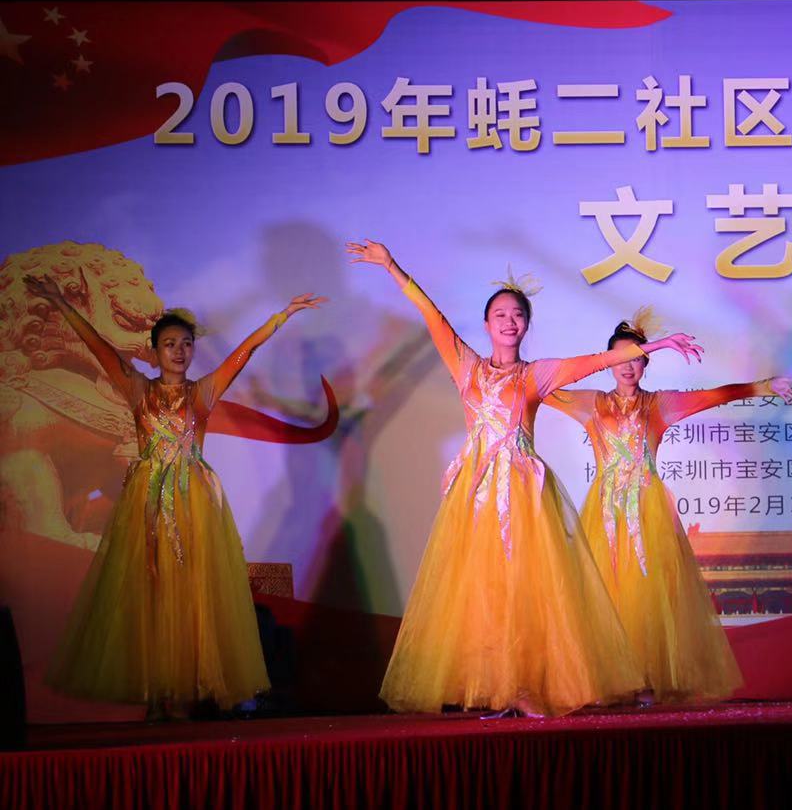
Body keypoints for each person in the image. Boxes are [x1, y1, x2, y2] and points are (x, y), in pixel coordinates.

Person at [347, 240, 699, 716]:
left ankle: (525, 685)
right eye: (500, 314)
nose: (509, 321)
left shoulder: (537, 375)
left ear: (526, 325)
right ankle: (493, 683)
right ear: (487, 324)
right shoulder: (466, 366)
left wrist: (655, 346)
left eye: (517, 315)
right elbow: (433, 317)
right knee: (480, 590)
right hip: (475, 493)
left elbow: (596, 361)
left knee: (526, 590)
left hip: (523, 494)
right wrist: (391, 265)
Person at [28, 273, 322, 717]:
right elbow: (99, 349)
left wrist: (282, 315)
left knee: (191, 597)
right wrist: (61, 303)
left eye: (186, 344)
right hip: (147, 504)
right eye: (169, 344)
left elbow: (244, 352)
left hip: (191, 504)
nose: (179, 351)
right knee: (151, 596)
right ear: (155, 351)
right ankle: (155, 696)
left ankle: (187, 693)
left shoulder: (202, 392)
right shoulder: (139, 390)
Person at [545, 308, 792, 702]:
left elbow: (711, 397)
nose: (628, 365)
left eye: (636, 357)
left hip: (648, 511)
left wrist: (761, 387)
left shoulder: (658, 404)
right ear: (608, 362)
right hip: (605, 510)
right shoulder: (591, 404)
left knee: (647, 595)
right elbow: (541, 388)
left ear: (646, 362)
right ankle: (606, 679)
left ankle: (645, 678)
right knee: (603, 592)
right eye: (620, 357)